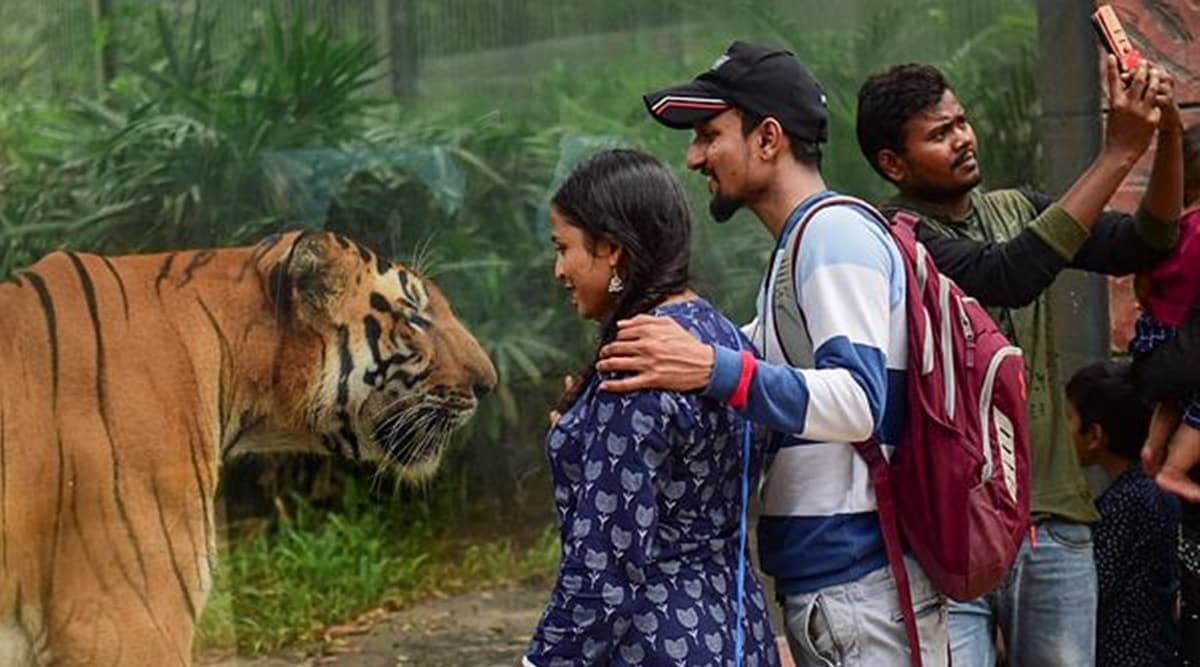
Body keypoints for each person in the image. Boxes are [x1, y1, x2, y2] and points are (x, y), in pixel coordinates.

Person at [598, 41, 948, 666]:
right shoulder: (798, 248)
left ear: (767, 138)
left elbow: (858, 403)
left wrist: (711, 367)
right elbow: (751, 375)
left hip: (861, 588)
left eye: (710, 134)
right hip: (837, 592)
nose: (695, 156)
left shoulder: (833, 235)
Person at [854, 59, 1183, 667]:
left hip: (1053, 519)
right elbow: (1007, 275)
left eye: (961, 122)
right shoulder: (895, 240)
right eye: (939, 133)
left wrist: (1166, 132)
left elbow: (1147, 240)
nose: (963, 138)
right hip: (948, 537)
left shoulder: (1015, 207)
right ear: (892, 164)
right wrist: (1117, 153)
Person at [523, 149, 781, 667]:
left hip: (654, 643)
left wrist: (544, 660)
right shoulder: (725, 341)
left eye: (564, 248)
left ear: (612, 249)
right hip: (738, 631)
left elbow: (607, 561)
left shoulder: (638, 363)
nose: (558, 270)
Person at [1065, 360, 1180, 666]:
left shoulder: (1125, 503)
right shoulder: (1154, 489)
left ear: (1095, 435)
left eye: (1068, 418)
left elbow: (1091, 587)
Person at [1135, 123, 1200, 502]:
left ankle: (1153, 448)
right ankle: (1175, 468)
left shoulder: (1166, 228)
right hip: (1186, 336)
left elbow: (1142, 285)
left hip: (1154, 335)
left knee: (1176, 393)